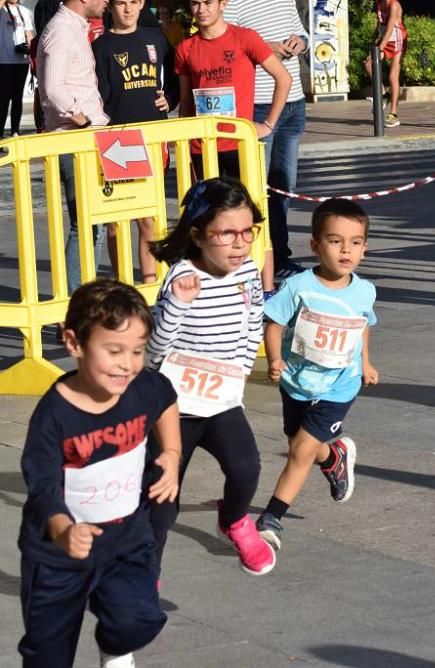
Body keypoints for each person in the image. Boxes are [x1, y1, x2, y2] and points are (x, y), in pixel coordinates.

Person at [18, 279, 182, 668]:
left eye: (138, 351)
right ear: (73, 343)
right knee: (47, 655)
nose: (127, 364)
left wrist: (172, 453)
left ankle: (115, 647)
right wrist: (63, 530)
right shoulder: (53, 417)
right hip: (59, 556)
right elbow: (42, 488)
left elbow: (166, 399)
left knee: (139, 619)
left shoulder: (141, 386)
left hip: (127, 541)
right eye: (113, 351)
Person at [146, 177, 277, 576]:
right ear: (199, 234)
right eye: (227, 233)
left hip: (220, 402)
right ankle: (142, 583)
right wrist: (177, 307)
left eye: (247, 231)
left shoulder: (249, 271)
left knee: (246, 467)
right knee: (161, 504)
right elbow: (153, 351)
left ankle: (234, 520)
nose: (240, 243)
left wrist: (236, 374)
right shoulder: (181, 277)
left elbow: (253, 322)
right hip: (173, 410)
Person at [255, 198, 378, 550]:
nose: (345, 250)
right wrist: (275, 359)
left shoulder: (365, 291)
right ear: (315, 245)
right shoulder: (298, 287)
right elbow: (274, 324)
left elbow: (362, 326)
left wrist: (365, 363)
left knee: (300, 451)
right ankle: (334, 457)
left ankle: (272, 517)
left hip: (340, 385)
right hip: (296, 382)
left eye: (355, 243)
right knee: (300, 444)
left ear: (364, 249)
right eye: (335, 240)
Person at [93, 0, 179, 285]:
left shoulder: (155, 38)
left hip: (153, 137)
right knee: (117, 218)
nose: (127, 10)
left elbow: (176, 77)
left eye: (133, 2)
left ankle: (152, 285)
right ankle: (122, 284)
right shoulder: (102, 46)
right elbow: (99, 97)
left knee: (149, 218)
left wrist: (171, 97)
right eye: (121, 3)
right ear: (110, 7)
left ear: (142, 4)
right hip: (118, 140)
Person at [224, 0, 309, 280]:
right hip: (260, 105)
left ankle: (280, 256)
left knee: (284, 185)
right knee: (257, 187)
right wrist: (263, 48)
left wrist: (301, 42)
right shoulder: (234, 4)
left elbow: (301, 32)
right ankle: (256, 261)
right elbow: (229, 44)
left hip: (294, 102)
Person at [36, 0, 111, 293]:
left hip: (86, 136)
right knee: (85, 225)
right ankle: (78, 301)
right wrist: (82, 121)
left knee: (95, 223)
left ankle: (84, 296)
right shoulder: (62, 30)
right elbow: (53, 88)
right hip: (76, 138)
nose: (106, 0)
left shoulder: (72, 28)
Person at [174, 0, 291, 180]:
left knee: (244, 204)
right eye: (195, 4)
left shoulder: (245, 38)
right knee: (208, 206)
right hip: (202, 145)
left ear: (223, 4)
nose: (201, 9)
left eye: (207, 3)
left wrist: (268, 125)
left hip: (239, 142)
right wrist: (184, 143)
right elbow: (186, 102)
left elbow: (284, 78)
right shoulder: (185, 48)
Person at [364, 0, 404, 128]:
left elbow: (390, 29)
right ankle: (383, 94)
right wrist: (372, 40)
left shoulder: (394, 5)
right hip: (385, 41)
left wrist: (379, 48)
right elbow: (379, 26)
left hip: (397, 41)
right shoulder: (379, 3)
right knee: (369, 64)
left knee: (393, 77)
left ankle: (394, 114)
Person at [0, 0, 33, 137]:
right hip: (3, 61)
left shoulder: (24, 11)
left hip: (21, 61)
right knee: (3, 98)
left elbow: (29, 35)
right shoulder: (2, 10)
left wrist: (30, 49)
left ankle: (15, 131)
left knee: (17, 97)